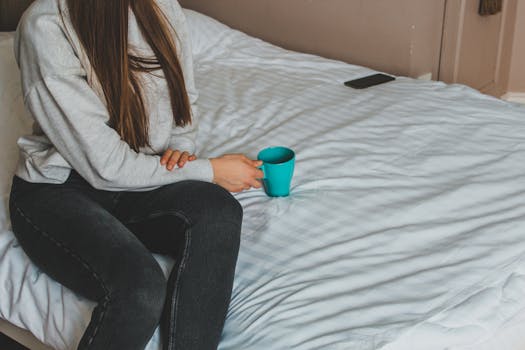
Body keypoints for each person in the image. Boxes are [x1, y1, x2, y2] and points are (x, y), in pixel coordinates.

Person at [8, 0, 263, 349]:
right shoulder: (45, 24)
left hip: (137, 177)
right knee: (139, 287)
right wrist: (209, 170)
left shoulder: (160, 6)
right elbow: (105, 166)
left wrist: (180, 150)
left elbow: (182, 99)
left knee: (218, 211)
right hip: (58, 189)